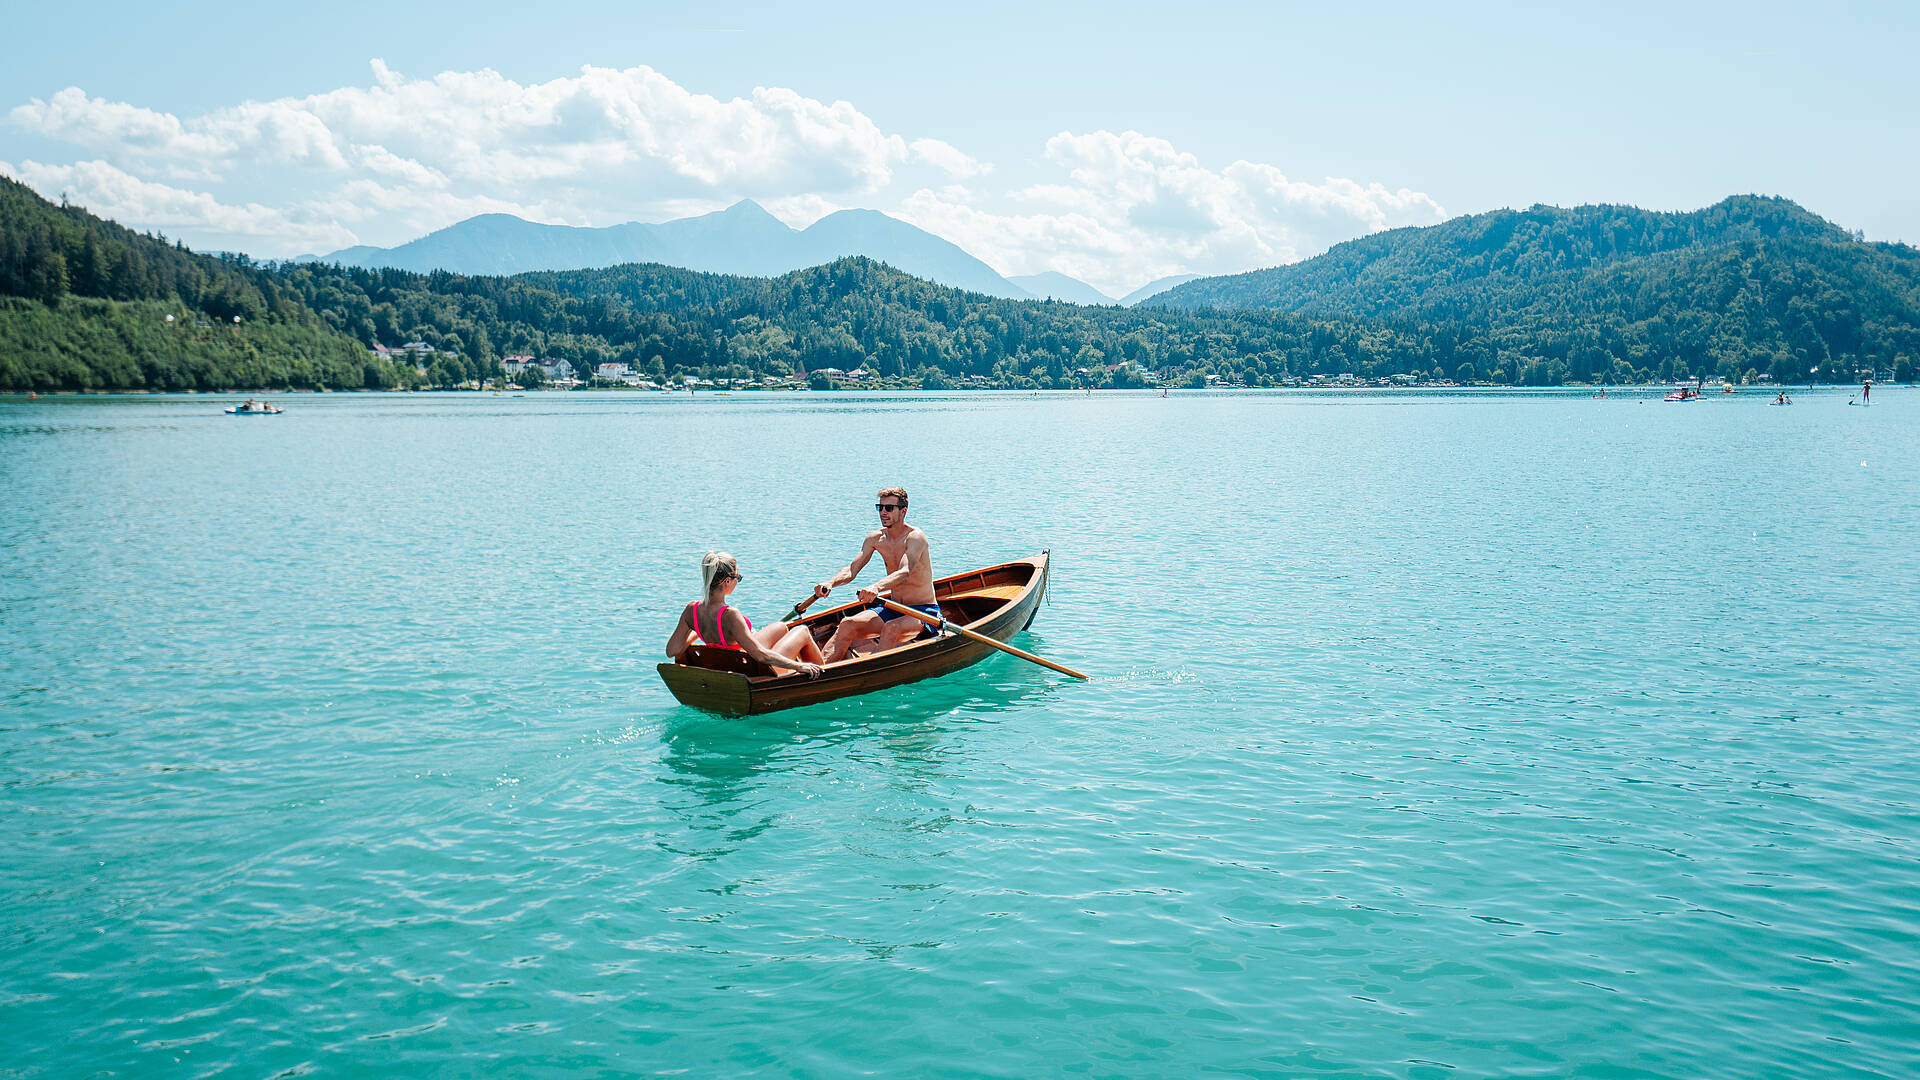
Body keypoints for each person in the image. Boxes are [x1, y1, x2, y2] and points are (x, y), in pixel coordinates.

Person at [813, 487, 939, 662]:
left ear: (903, 511)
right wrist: (830, 583)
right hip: (894, 607)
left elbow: (904, 573)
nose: (883, 512)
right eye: (880, 507)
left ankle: (869, 672)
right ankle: (819, 671)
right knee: (847, 624)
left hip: (923, 612)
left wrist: (876, 586)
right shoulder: (875, 538)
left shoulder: (915, 538)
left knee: (891, 628)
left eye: (889, 508)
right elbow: (851, 569)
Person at [665, 551, 823, 676]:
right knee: (801, 631)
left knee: (780, 627)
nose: (737, 582)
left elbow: (671, 650)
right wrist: (799, 666)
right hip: (750, 669)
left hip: (728, 662)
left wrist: (699, 630)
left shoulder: (691, 610)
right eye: (738, 578)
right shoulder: (730, 615)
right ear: (727, 580)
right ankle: (824, 670)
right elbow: (760, 656)